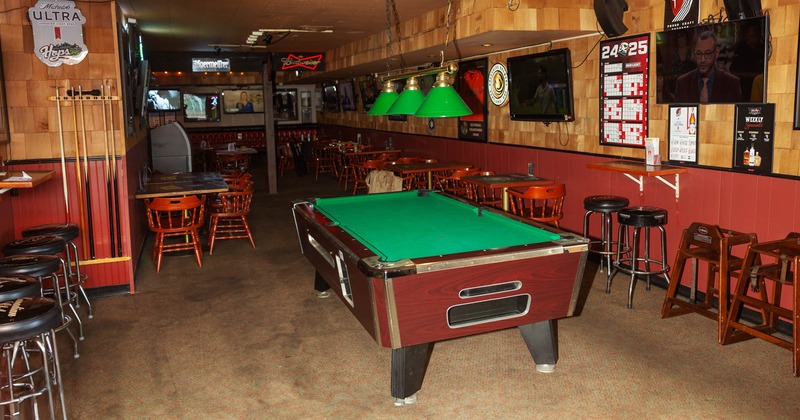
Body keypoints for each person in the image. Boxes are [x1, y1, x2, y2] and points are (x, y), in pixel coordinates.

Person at [673, 31, 742, 103]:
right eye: (699, 54)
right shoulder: (682, 83)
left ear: (716, 53)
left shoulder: (732, 84)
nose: (702, 60)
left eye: (707, 53)